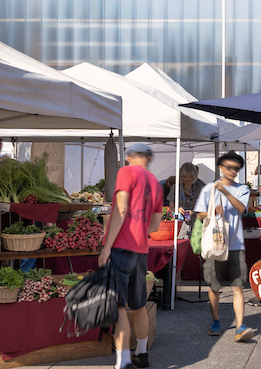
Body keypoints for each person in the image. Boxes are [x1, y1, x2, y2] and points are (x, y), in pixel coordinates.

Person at [99, 142, 164, 369]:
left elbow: (121, 209)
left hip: (121, 248)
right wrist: (138, 230)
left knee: (118, 306)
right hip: (141, 250)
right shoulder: (156, 183)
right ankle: (142, 353)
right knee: (139, 305)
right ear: (148, 157)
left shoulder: (126, 172)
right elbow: (155, 225)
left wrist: (107, 246)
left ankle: (123, 358)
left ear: (128, 157)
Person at [195, 151, 259, 343]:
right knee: (214, 286)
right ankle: (215, 320)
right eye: (229, 167)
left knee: (238, 286)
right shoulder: (208, 189)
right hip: (215, 244)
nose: (232, 171)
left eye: (236, 168)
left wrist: (225, 192)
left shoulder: (242, 189)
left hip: (236, 244)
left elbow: (241, 208)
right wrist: (212, 211)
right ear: (221, 168)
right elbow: (199, 215)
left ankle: (240, 326)